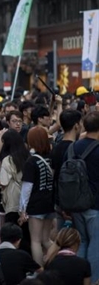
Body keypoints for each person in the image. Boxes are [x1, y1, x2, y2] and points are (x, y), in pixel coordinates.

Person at [70, 111, 99, 283]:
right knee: (96, 245)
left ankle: (79, 279)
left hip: (75, 203)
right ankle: (93, 280)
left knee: (81, 242)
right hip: (95, 204)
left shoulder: (73, 147)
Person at [20, 126, 55, 266]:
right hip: (50, 202)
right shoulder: (51, 157)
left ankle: (39, 271)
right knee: (46, 239)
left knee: (35, 240)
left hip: (35, 205)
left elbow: (26, 188)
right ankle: (59, 260)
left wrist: (22, 209)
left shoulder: (31, 161)